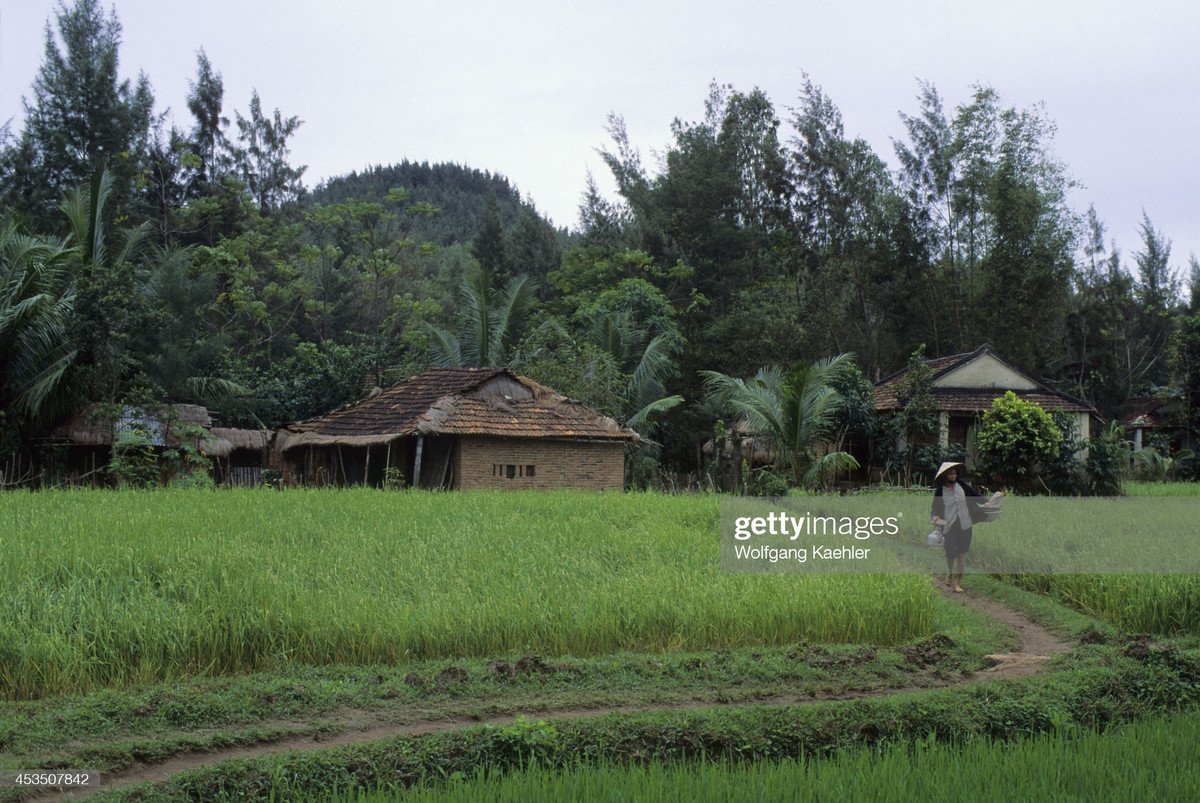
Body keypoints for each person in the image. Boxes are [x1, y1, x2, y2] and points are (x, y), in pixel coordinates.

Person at [930, 462, 985, 593]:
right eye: (950, 474)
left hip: (965, 524)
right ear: (945, 476)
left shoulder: (963, 486)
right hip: (949, 525)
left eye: (954, 473)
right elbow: (934, 508)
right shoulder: (940, 491)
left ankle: (957, 583)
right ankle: (950, 572)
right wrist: (935, 517)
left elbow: (976, 496)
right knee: (950, 553)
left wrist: (992, 502)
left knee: (962, 553)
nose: (953, 476)